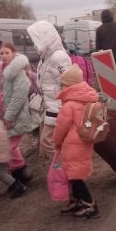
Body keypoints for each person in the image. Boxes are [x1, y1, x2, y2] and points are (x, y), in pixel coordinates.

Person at [52, 64, 101, 219]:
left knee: (74, 176)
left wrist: (56, 141)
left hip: (72, 145)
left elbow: (61, 127)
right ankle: (76, 200)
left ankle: (90, 204)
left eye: (63, 84)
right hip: (83, 142)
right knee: (73, 173)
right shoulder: (88, 99)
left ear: (69, 85)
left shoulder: (70, 105)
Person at [26, 21, 71, 158]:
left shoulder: (58, 58)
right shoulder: (46, 57)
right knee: (48, 142)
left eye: (36, 40)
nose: (34, 44)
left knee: (47, 141)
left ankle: (64, 170)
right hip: (49, 105)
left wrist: (65, 108)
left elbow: (68, 83)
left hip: (57, 107)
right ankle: (58, 170)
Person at [0, 42, 36, 182]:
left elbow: (18, 97)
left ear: (14, 53)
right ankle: (21, 172)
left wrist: (9, 117)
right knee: (11, 145)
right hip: (10, 113)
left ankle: (21, 172)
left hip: (18, 115)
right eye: (1, 53)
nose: (4, 56)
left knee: (9, 146)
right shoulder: (5, 69)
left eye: (7, 53)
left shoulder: (17, 71)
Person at [96, 9, 116, 78]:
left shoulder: (100, 29)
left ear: (102, 18)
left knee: (110, 79)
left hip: (106, 59)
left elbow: (98, 47)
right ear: (111, 16)